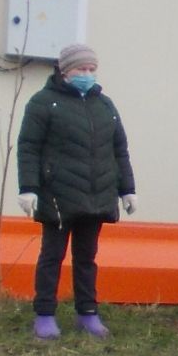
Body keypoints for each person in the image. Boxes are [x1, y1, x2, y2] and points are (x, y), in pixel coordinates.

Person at [15, 42, 136, 340]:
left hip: (96, 196)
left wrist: (127, 189)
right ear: (65, 70)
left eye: (92, 69)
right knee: (52, 256)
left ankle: (88, 313)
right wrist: (28, 188)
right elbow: (28, 147)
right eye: (81, 69)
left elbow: (119, 149)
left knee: (86, 257)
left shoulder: (104, 105)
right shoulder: (43, 103)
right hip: (57, 196)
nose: (87, 74)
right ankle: (44, 314)